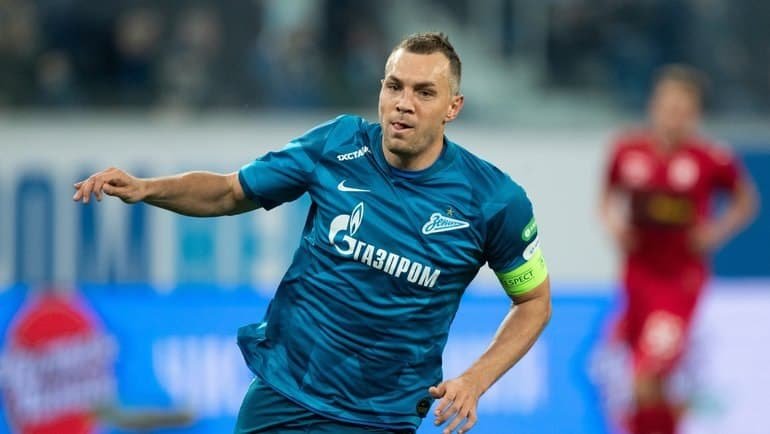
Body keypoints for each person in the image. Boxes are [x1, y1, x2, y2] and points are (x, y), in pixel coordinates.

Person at [73, 32, 552, 434]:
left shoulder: (494, 201)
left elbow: (534, 302)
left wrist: (475, 380)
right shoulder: (337, 144)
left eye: (424, 93)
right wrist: (146, 188)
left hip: (380, 416)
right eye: (394, 86)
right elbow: (228, 192)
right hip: (283, 395)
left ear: (453, 107)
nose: (403, 104)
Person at [598, 64, 758, 434]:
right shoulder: (627, 150)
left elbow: (746, 201)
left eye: (682, 110)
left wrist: (714, 232)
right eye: (668, 107)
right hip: (637, 276)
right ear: (654, 106)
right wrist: (614, 225)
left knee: (646, 376)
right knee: (643, 387)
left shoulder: (710, 157)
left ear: (695, 114)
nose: (673, 117)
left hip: (679, 281)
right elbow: (606, 198)